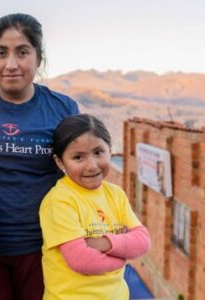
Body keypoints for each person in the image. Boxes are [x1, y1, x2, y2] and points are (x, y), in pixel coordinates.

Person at [0, 13, 79, 300]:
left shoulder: (63, 108)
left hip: (43, 247)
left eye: (22, 52)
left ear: (38, 57)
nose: (11, 64)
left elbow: (79, 173)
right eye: (1, 52)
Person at [39, 114, 151, 300]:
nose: (91, 166)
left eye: (98, 152)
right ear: (60, 162)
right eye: (78, 157)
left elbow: (142, 241)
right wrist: (123, 253)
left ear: (110, 150)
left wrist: (102, 243)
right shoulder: (59, 201)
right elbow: (82, 260)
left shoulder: (115, 194)